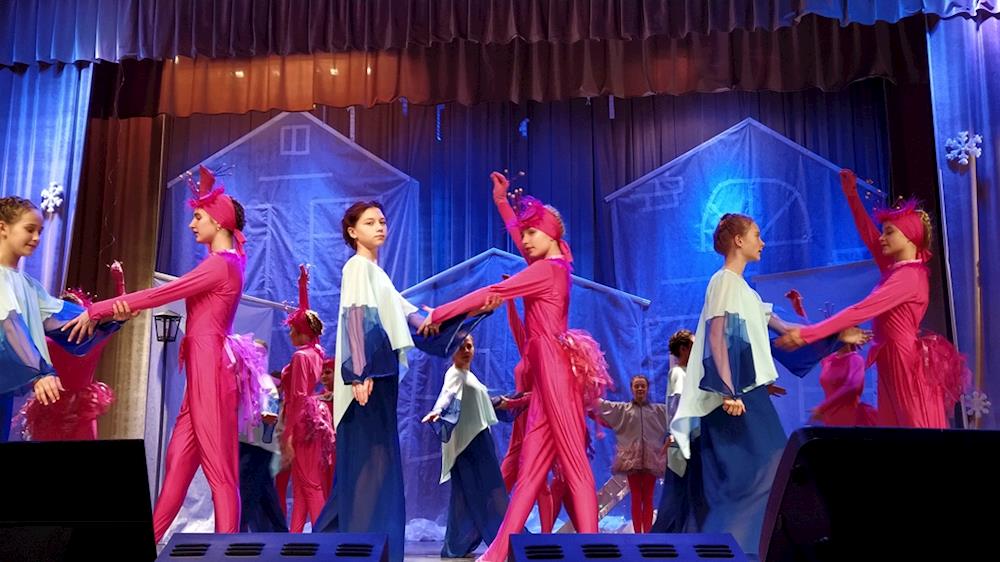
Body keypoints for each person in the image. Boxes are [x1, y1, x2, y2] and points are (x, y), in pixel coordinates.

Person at [63, 165, 248, 540]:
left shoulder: (221, 265)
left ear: (218, 221)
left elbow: (162, 293)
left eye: (198, 217)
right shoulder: (223, 264)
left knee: (220, 471)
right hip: (201, 373)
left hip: (210, 370)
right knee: (178, 463)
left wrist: (98, 309)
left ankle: (226, 549)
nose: (192, 224)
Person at [423, 335, 508, 557]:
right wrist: (438, 410)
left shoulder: (468, 376)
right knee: (491, 490)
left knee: (465, 494)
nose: (466, 350)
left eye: (469, 346)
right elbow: (448, 395)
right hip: (470, 444)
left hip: (475, 440)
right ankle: (505, 537)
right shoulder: (454, 374)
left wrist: (504, 401)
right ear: (452, 351)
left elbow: (479, 402)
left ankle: (457, 544)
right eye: (461, 347)